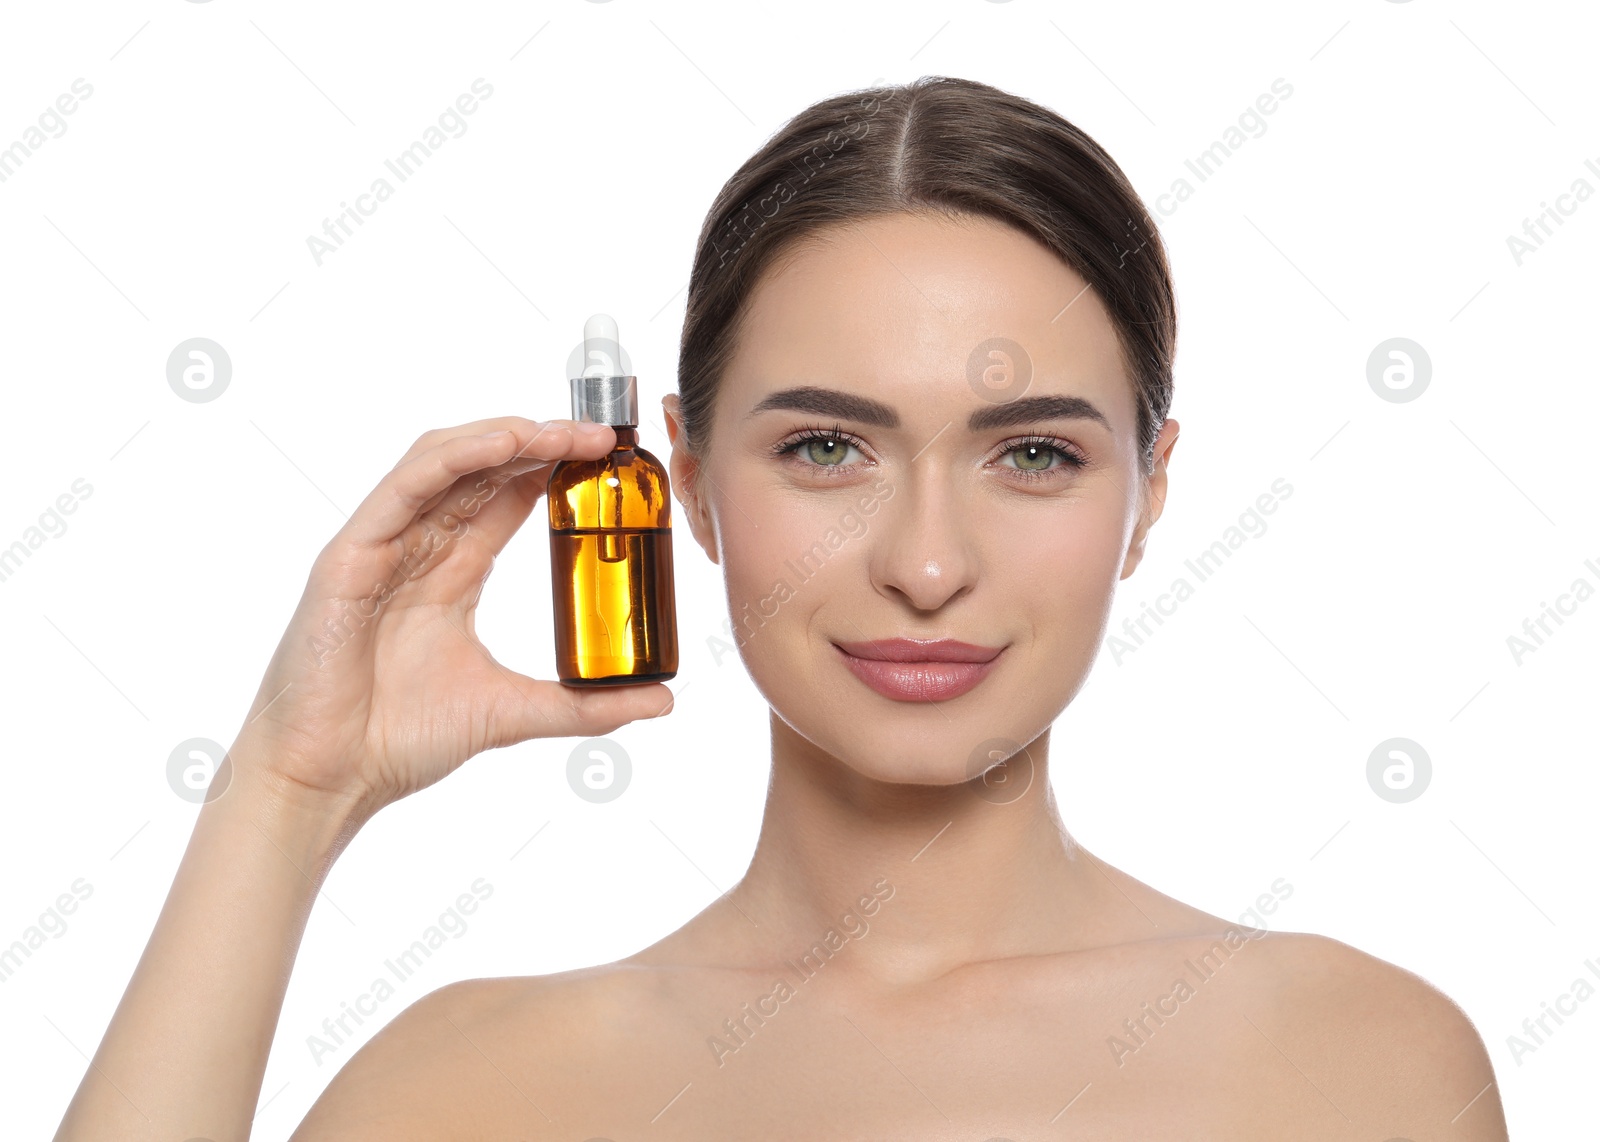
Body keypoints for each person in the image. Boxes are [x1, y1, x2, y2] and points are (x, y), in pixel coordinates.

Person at [56, 75, 1507, 1140]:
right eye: (827, 448)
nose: (926, 565)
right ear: (682, 477)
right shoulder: (458, 1088)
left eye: (1035, 454)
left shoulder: (1362, 1062)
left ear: (1152, 493)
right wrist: (289, 789)